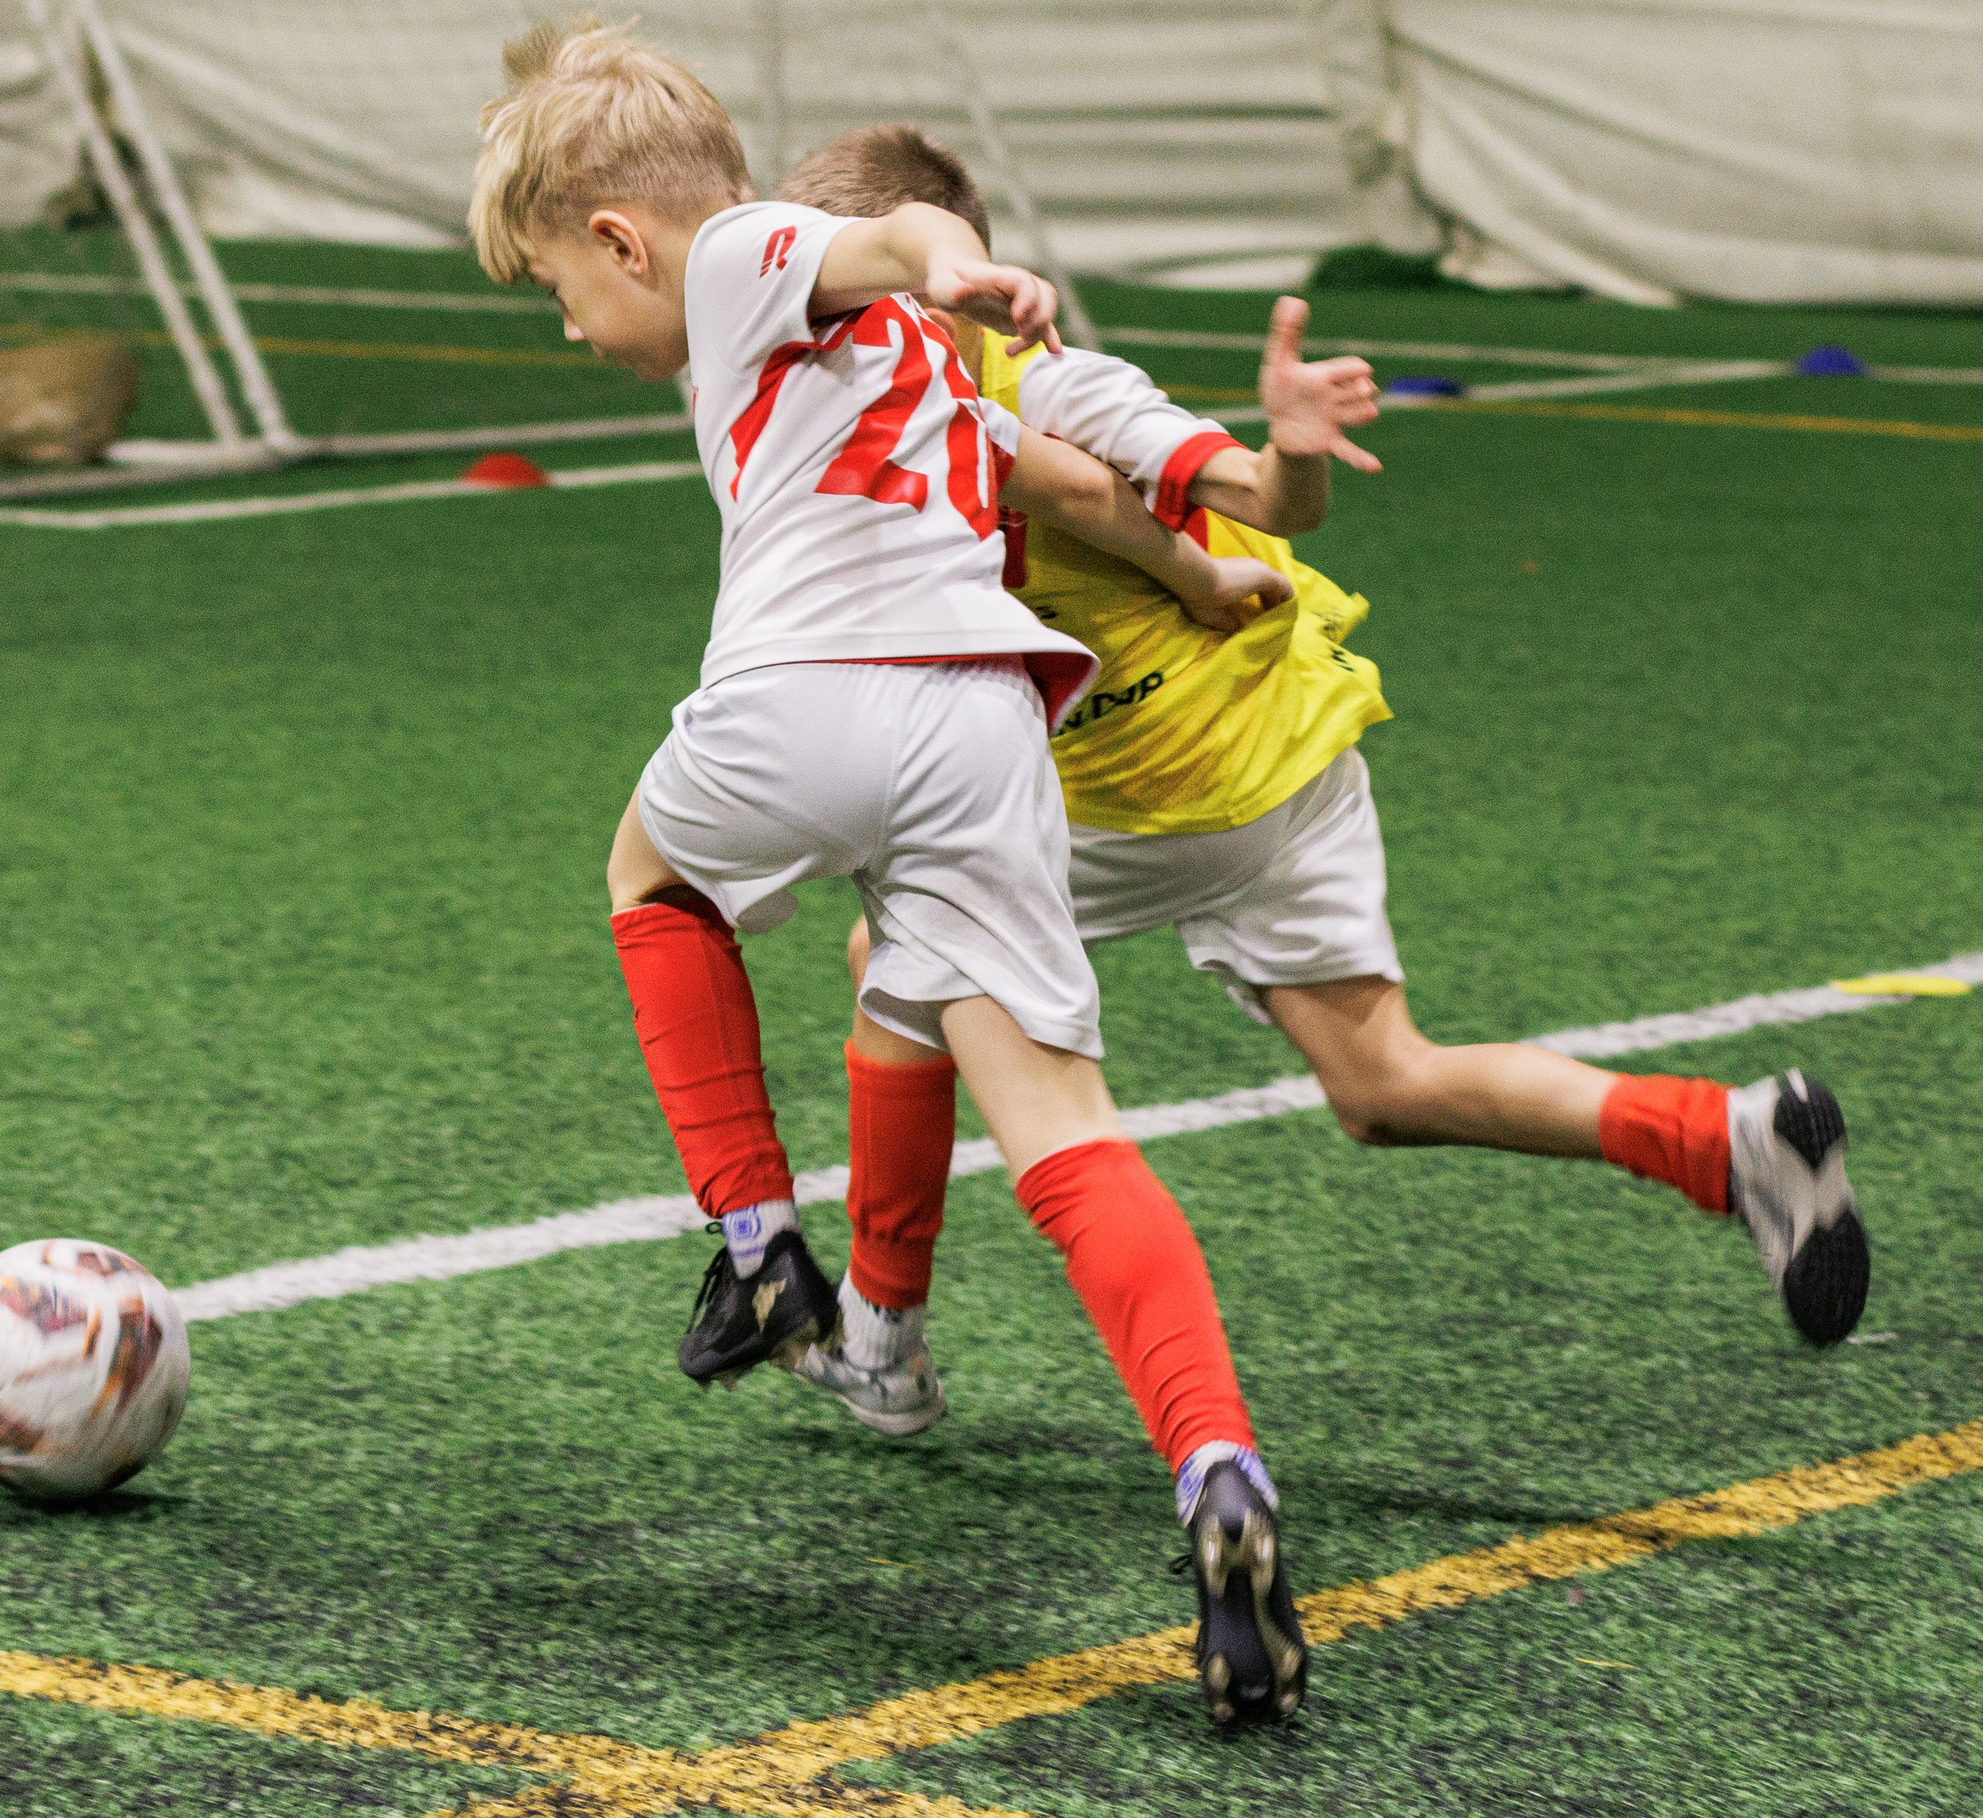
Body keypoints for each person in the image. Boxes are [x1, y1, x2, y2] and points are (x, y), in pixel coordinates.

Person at [765, 126, 1869, 1454]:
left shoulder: (1044, 395)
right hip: (1289, 750)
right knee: (1382, 1082)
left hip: (1152, 795)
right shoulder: (957, 398)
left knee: (895, 952)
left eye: (837, 279)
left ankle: (880, 1341)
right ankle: (1733, 1139)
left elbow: (1247, 494)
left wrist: (1284, 454)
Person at [471, 25, 1305, 1725]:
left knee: (649, 878)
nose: (571, 321)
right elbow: (1045, 460)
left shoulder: (733, 260)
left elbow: (881, 243)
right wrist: (1192, 555)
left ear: (627, 239)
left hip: (811, 693)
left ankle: (760, 1237)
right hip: (987, 726)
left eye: (560, 284)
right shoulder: (908, 362)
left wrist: (959, 255)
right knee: (1066, 1129)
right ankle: (1219, 1470)